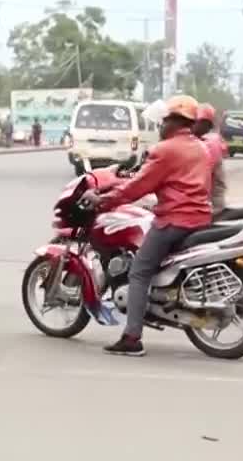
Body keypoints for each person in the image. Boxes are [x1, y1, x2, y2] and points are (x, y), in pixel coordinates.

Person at [84, 96, 212, 357]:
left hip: (174, 220)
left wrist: (104, 199)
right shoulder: (200, 148)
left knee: (139, 272)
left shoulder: (166, 150)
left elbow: (138, 187)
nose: (161, 126)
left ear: (175, 122)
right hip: (199, 217)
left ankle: (132, 338)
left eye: (164, 121)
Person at [193, 103, 228, 213]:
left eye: (195, 122)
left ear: (205, 123)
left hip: (211, 203)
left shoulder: (210, 142)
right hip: (209, 199)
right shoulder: (206, 139)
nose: (191, 125)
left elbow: (202, 172)